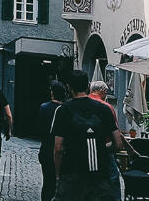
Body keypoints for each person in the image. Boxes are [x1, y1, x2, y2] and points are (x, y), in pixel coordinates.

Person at [51, 70, 125, 201]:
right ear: (87, 86)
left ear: (69, 87)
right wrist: (100, 149)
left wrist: (58, 176)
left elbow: (58, 149)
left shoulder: (63, 110)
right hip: (99, 177)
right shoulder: (104, 109)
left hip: (72, 174)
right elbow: (118, 144)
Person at [34, 81, 70, 201]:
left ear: (52, 93)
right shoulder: (65, 110)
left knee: (47, 182)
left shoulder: (44, 107)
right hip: (60, 149)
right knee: (59, 182)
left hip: (46, 147)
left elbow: (39, 128)